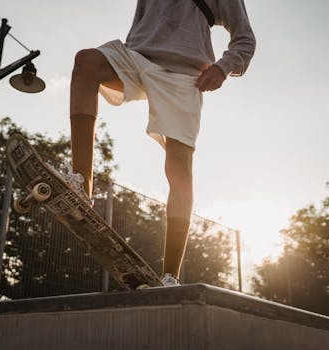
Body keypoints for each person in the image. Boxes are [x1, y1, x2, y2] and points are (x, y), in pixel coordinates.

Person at [67, 0, 256, 287]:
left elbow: (245, 39)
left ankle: (170, 276)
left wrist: (222, 68)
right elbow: (141, 22)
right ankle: (82, 183)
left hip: (184, 75)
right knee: (87, 61)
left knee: (179, 170)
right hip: (137, 58)